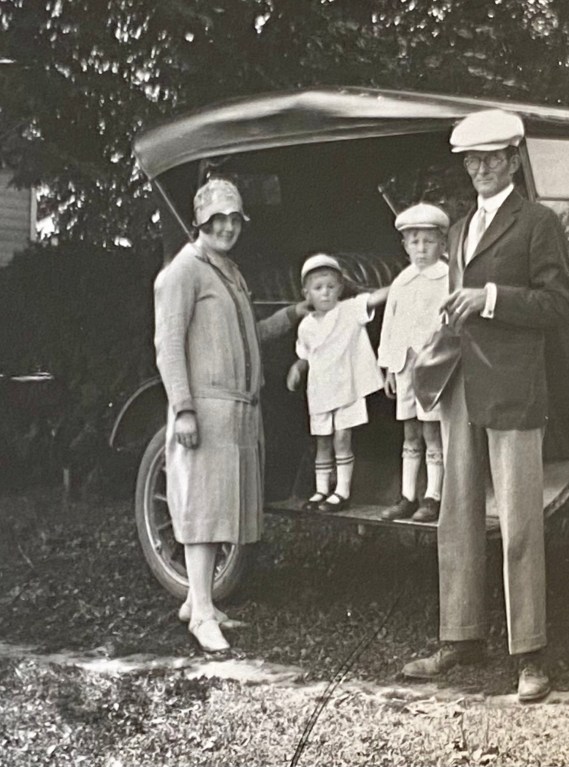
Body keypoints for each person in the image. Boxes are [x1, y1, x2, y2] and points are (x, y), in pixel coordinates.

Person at [402, 110, 569, 702]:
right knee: (456, 516)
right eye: (471, 160)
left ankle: (530, 656)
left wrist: (491, 298)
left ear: (512, 160)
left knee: (520, 524)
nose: (480, 168)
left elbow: (559, 305)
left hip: (514, 388)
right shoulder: (456, 231)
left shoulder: (538, 222)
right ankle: (460, 638)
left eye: (491, 158)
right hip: (462, 387)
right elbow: (459, 306)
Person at [154, 177, 309, 653]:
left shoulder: (229, 272)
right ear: (199, 221)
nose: (226, 227)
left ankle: (198, 602)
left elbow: (246, 336)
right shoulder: (183, 271)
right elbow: (168, 345)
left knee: (222, 508)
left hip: (238, 410)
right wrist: (183, 409)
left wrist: (292, 315)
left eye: (234, 219)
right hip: (206, 407)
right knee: (203, 509)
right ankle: (201, 613)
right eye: (217, 219)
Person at [286, 254, 388, 512]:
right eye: (318, 288)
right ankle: (321, 490)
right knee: (322, 440)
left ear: (340, 288)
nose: (325, 293)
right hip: (320, 391)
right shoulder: (306, 326)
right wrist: (297, 367)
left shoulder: (349, 310)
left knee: (342, 438)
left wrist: (410, 278)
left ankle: (342, 491)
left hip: (347, 389)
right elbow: (306, 354)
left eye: (331, 287)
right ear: (307, 293)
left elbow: (376, 298)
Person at [377, 203, 451, 523]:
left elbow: (450, 326)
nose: (421, 249)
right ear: (405, 245)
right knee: (410, 431)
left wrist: (443, 362)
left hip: (433, 368)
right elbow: (391, 326)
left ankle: (433, 496)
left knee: (432, 431)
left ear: (442, 244)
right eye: (414, 241)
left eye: (429, 241)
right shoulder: (402, 282)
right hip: (405, 368)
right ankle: (407, 496)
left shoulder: (447, 278)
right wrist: (389, 368)